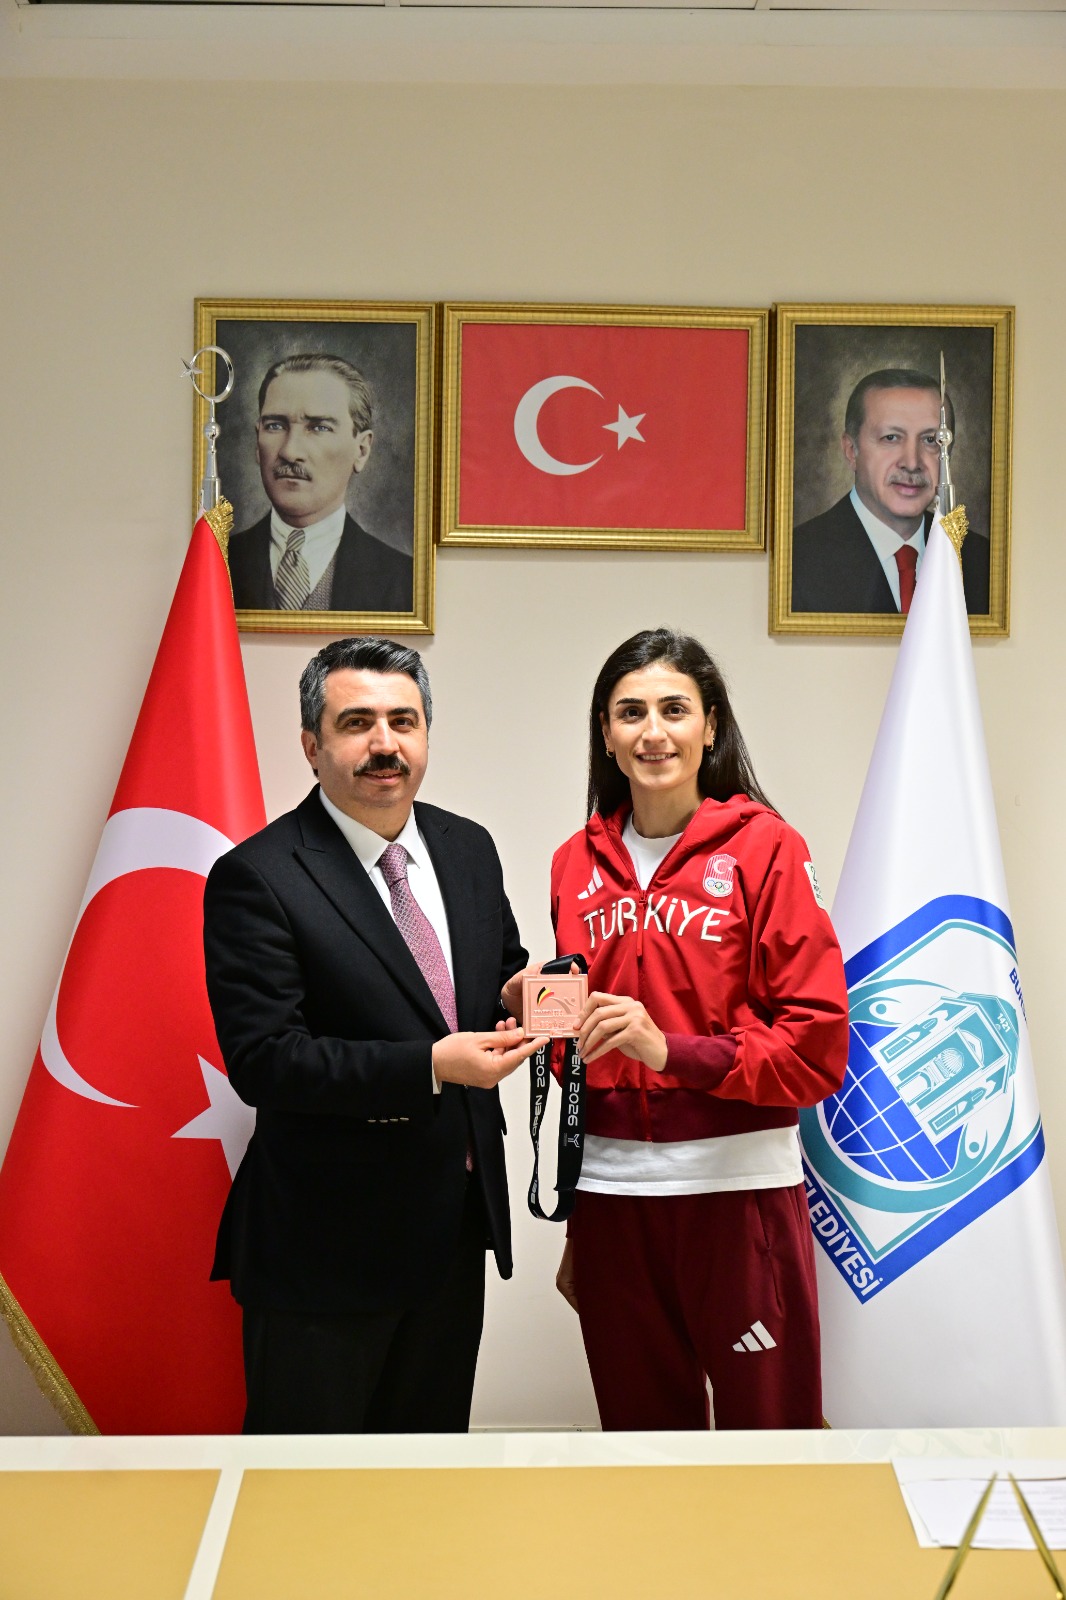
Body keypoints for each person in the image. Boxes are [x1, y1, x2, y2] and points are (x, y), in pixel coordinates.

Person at [203, 636, 543, 1433]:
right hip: (324, 1252)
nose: (385, 744)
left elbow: (491, 970)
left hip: (453, 1231)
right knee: (305, 1490)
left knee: (425, 1481)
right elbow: (266, 1060)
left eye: (403, 721)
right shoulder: (258, 875)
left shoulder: (467, 847)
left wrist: (521, 991)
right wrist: (431, 1066)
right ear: (311, 745)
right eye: (357, 723)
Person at [550, 628, 849, 1430]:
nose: (653, 732)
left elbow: (817, 1047)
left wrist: (671, 1052)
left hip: (737, 1195)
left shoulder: (768, 848)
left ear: (710, 726)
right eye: (631, 713)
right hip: (610, 1200)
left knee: (771, 1441)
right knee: (641, 1444)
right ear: (606, 735)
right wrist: (538, 1016)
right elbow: (580, 1053)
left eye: (674, 710)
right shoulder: (573, 863)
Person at [791, 368, 990, 616]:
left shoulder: (982, 561)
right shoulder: (796, 560)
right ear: (851, 451)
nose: (912, 462)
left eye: (931, 440)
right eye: (891, 438)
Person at [227, 353, 413, 614]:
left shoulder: (404, 580)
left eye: (319, 428)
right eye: (275, 426)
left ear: (361, 450)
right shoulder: (218, 563)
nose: (290, 451)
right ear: (257, 442)